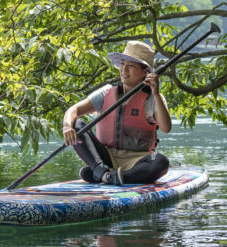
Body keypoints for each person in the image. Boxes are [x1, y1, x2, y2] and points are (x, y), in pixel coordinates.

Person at [62, 41, 171, 186]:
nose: (124, 70)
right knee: (77, 125)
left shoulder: (153, 98)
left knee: (160, 163)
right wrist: (67, 126)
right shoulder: (106, 92)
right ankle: (102, 172)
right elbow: (73, 110)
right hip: (106, 158)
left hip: (137, 161)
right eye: (122, 64)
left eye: (131, 66)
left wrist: (156, 94)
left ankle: (109, 176)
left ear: (145, 72)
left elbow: (166, 128)